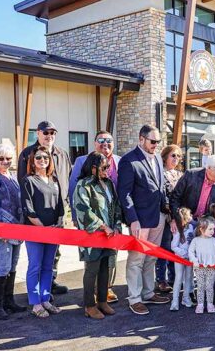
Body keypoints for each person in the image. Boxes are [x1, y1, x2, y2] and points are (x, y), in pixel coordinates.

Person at [117, 125, 171, 315]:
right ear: (141, 139)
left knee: (151, 257)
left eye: (158, 141)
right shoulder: (128, 161)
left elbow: (161, 186)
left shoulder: (156, 157)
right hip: (140, 220)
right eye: (153, 141)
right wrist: (133, 220)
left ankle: (148, 293)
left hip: (158, 216)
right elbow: (124, 194)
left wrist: (167, 211)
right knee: (136, 260)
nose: (156, 145)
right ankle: (134, 298)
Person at [17, 120, 72, 295]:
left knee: (54, 254)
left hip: (57, 213)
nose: (49, 136)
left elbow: (68, 180)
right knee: (37, 259)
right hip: (36, 217)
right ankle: (36, 294)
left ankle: (49, 286)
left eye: (52, 133)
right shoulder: (27, 153)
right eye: (46, 133)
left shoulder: (62, 154)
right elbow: (22, 184)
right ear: (38, 133)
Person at [68, 130, 121, 303]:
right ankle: (90, 305)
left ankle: (103, 301)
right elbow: (83, 209)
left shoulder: (109, 184)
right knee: (92, 270)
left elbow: (116, 207)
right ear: (93, 168)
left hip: (109, 234)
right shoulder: (84, 185)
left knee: (106, 266)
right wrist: (102, 226)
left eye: (109, 167)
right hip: (93, 234)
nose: (108, 170)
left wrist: (117, 226)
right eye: (104, 168)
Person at [0, 144, 27, 320]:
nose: (5, 162)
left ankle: (9, 300)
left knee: (12, 266)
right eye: (1, 158)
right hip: (1, 230)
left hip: (16, 229)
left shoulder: (11, 176)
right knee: (2, 266)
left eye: (9, 158)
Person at [21, 146, 64, 318]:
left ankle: (45, 299)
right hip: (35, 232)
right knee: (35, 266)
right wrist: (42, 228)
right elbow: (28, 208)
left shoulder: (54, 179)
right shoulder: (28, 181)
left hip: (53, 231)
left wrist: (60, 222)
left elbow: (60, 204)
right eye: (38, 158)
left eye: (45, 157)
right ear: (32, 161)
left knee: (48, 266)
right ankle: (36, 303)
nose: (42, 160)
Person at [155, 145, 184, 295]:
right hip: (165, 217)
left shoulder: (180, 174)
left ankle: (174, 278)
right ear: (165, 156)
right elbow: (164, 198)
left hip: (178, 218)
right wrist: (171, 218)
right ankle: (161, 279)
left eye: (178, 156)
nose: (176, 159)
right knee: (164, 248)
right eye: (173, 155)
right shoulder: (160, 174)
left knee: (176, 248)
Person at [170, 155, 215, 223]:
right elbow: (175, 197)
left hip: (207, 223)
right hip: (185, 219)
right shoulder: (191, 175)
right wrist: (176, 218)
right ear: (208, 167)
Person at [189, 217, 215, 314]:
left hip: (211, 268)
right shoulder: (195, 241)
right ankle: (200, 304)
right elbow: (191, 252)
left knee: (210, 287)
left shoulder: (214, 241)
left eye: (213, 229)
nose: (212, 231)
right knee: (201, 287)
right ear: (201, 229)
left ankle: (210, 304)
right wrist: (194, 260)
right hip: (199, 268)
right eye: (210, 229)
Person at [170, 208, 194, 311]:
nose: (190, 218)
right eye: (188, 216)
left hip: (189, 258)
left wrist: (191, 253)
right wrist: (183, 253)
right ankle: (175, 301)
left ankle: (186, 298)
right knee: (179, 278)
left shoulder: (191, 227)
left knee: (188, 278)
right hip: (179, 258)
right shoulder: (178, 231)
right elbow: (173, 246)